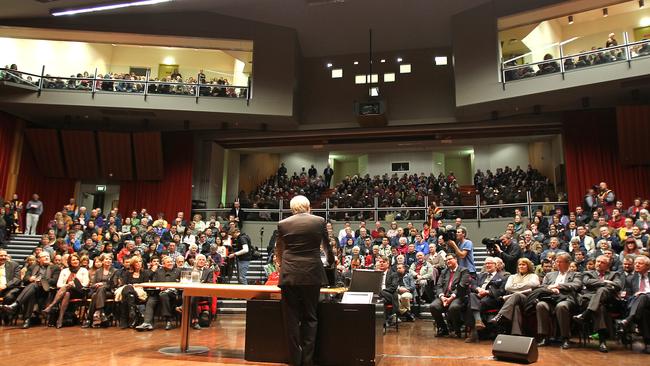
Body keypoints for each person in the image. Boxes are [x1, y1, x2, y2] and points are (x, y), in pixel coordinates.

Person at [275, 195, 334, 366]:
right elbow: (326, 246)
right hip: (312, 273)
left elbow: (280, 247)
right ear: (309, 207)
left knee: (291, 318)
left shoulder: (283, 223)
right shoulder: (319, 221)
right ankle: (307, 361)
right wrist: (331, 263)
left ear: (292, 208)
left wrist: (280, 264)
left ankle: (295, 360)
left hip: (289, 274)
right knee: (310, 316)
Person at [573, 255, 624, 353]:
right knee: (600, 307)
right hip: (588, 300)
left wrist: (601, 285)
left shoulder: (614, 274)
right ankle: (602, 342)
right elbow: (587, 282)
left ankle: (586, 314)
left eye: (602, 262)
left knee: (602, 293)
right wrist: (605, 282)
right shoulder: (588, 273)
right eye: (597, 261)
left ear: (608, 265)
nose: (599, 264)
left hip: (608, 302)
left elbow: (618, 285)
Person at [534, 253, 582, 349]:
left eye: (560, 262)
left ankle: (565, 338)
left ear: (568, 263)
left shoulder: (576, 274)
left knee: (561, 306)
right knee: (541, 305)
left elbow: (576, 285)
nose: (557, 264)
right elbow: (542, 286)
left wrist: (558, 286)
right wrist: (551, 289)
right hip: (551, 298)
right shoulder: (549, 275)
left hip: (566, 299)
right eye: (556, 261)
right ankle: (544, 337)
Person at [1, 251, 60, 328]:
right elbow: (25, 279)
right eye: (44, 256)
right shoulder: (32, 267)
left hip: (46, 291)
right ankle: (27, 320)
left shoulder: (55, 267)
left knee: (32, 286)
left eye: (48, 256)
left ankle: (16, 305)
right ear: (39, 259)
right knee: (31, 291)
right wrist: (30, 278)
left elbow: (54, 280)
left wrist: (41, 280)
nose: (47, 258)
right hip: (32, 290)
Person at [489, 258, 539, 335]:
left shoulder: (533, 276)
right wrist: (524, 286)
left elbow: (533, 284)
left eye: (523, 265)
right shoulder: (512, 276)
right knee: (516, 307)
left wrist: (515, 286)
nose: (521, 266)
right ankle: (516, 333)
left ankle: (500, 315)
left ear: (528, 266)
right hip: (513, 301)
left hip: (527, 300)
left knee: (517, 294)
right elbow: (508, 287)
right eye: (520, 265)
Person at [464, 256, 507, 342]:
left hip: (492, 298)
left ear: (495, 265)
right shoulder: (481, 275)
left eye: (490, 263)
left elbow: (502, 291)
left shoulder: (503, 276)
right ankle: (478, 321)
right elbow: (473, 285)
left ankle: (474, 331)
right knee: (472, 296)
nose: (487, 265)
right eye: (486, 263)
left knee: (471, 303)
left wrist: (487, 292)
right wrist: (478, 289)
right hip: (478, 297)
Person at [42, 253, 90, 328]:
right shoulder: (64, 271)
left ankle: (51, 306)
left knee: (69, 287)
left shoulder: (83, 270)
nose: (75, 261)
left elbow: (85, 284)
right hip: (66, 292)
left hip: (79, 291)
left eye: (77, 259)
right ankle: (60, 318)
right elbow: (59, 284)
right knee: (67, 293)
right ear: (69, 262)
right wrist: (67, 285)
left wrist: (73, 284)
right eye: (73, 260)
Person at [430, 253, 470, 337]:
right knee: (433, 306)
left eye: (450, 259)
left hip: (458, 297)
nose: (448, 261)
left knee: (454, 307)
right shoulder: (444, 271)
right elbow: (439, 285)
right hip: (444, 297)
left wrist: (451, 298)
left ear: (456, 259)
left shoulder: (464, 270)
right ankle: (444, 329)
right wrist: (442, 297)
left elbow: (462, 286)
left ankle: (456, 329)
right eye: (446, 260)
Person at [136, 256, 181, 331]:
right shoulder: (158, 271)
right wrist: (158, 287)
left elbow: (181, 283)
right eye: (168, 262)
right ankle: (147, 322)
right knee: (151, 300)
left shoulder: (178, 271)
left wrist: (168, 287)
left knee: (163, 295)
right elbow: (153, 283)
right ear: (163, 264)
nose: (170, 263)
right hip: (158, 292)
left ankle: (168, 320)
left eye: (171, 262)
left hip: (172, 293)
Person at [618, 255, 650, 354]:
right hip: (640, 305)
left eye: (639, 263)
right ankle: (648, 344)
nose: (636, 265)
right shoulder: (631, 279)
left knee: (643, 296)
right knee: (644, 313)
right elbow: (628, 296)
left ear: (648, 266)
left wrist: (644, 293)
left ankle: (629, 319)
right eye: (635, 263)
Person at [83, 253, 118, 328]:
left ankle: (89, 319)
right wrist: (96, 285)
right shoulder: (98, 271)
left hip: (109, 291)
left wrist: (102, 284)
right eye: (106, 259)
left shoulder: (115, 271)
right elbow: (92, 284)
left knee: (99, 291)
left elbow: (113, 284)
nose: (108, 260)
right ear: (102, 261)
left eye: (110, 259)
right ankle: (102, 314)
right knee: (96, 294)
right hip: (97, 291)